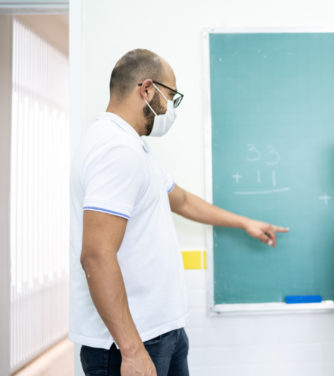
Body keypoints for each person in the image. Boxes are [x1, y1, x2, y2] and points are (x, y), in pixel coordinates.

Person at [69, 49, 288, 376]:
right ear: (146, 89)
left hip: (160, 333)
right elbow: (97, 255)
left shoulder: (136, 147)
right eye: (170, 96)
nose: (171, 108)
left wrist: (245, 223)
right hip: (129, 344)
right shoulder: (115, 150)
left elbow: (181, 200)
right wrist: (131, 350)